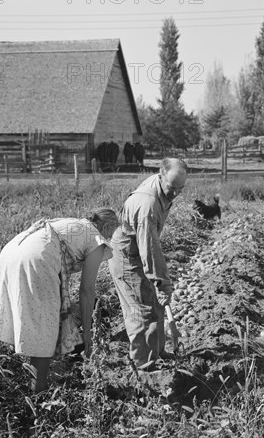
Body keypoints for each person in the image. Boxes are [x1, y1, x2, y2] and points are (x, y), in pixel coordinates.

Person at [0, 209, 119, 392]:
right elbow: (87, 290)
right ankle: (38, 395)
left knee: (33, 319)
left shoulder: (75, 224)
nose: (110, 239)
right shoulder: (96, 238)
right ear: (107, 226)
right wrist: (88, 335)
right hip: (37, 259)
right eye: (112, 234)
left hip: (13, 251)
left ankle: (34, 380)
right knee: (45, 328)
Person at [109, 158, 188, 370]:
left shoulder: (162, 188)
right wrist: (162, 283)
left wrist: (159, 285)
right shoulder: (148, 206)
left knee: (155, 305)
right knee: (142, 311)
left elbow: (149, 247)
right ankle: (142, 365)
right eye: (172, 188)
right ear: (160, 176)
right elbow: (149, 249)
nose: (175, 194)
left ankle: (157, 353)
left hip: (138, 250)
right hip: (127, 257)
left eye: (180, 189)